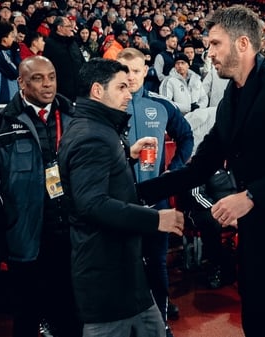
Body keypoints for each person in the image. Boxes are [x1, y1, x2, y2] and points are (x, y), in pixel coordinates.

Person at [136, 6, 265, 337]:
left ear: (242, 43)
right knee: (254, 327)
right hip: (256, 237)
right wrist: (137, 192)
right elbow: (200, 167)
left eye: (215, 44)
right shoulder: (231, 99)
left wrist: (252, 196)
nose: (208, 53)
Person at [57, 58, 184, 337]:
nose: (129, 94)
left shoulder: (98, 128)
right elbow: (92, 203)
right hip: (106, 273)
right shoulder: (92, 135)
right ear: (97, 91)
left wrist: (126, 156)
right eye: (122, 87)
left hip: (121, 266)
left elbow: (98, 180)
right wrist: (155, 219)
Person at [0, 56, 82, 337]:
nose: (48, 84)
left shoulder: (75, 118)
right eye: (38, 78)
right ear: (21, 82)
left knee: (73, 313)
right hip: (26, 237)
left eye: (52, 76)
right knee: (27, 314)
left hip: (72, 234)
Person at [117, 48, 194, 337]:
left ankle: (160, 324)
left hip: (155, 199)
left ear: (145, 69)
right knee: (124, 265)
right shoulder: (107, 107)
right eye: (125, 70)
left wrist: (172, 172)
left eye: (136, 70)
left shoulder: (161, 105)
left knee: (157, 263)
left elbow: (186, 136)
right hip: (120, 201)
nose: (131, 76)